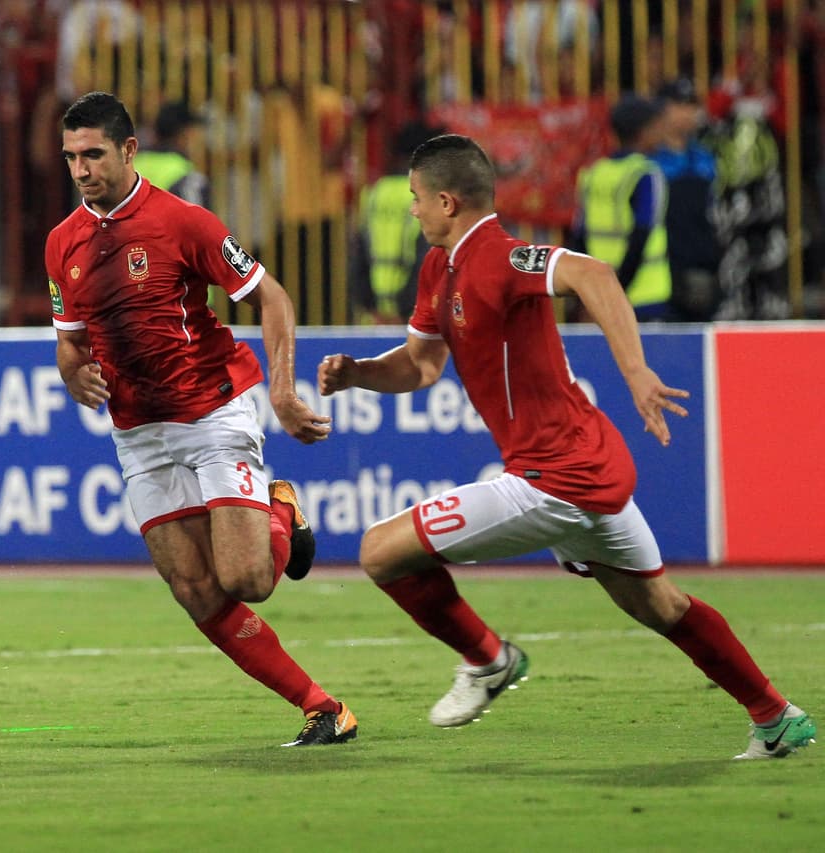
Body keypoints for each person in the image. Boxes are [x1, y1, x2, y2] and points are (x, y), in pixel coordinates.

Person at [317, 134, 815, 760]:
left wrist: (636, 372)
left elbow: (592, 273)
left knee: (380, 551)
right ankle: (775, 715)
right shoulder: (439, 268)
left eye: (417, 199)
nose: (411, 210)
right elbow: (420, 366)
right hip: (581, 470)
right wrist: (358, 372)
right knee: (662, 604)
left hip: (555, 477)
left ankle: (489, 660)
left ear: (447, 201)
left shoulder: (499, 256)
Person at [47, 91, 355, 747]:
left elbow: (271, 297)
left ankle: (280, 510)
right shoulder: (61, 244)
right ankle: (321, 705)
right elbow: (69, 344)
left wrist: (282, 391)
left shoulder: (183, 221)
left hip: (214, 405)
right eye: (72, 156)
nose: (82, 169)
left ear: (129, 151)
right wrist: (75, 376)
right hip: (137, 429)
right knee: (193, 587)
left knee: (247, 578)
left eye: (94, 154)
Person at [572, 95, 672, 321]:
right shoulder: (645, 174)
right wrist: (615, 291)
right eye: (656, 127)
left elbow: (579, 239)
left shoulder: (593, 173)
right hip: (645, 296)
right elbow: (640, 237)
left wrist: (588, 294)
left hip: (598, 296)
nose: (660, 133)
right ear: (643, 132)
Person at [348, 119, 442, 325]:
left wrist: (370, 307)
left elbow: (358, 255)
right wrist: (404, 309)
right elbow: (425, 259)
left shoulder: (375, 192)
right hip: (411, 316)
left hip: (374, 319)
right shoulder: (426, 195)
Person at [650, 78, 723, 321]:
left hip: (705, 264)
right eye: (679, 104)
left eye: (692, 105)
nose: (688, 112)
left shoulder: (706, 157)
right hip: (664, 268)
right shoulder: (650, 161)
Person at [134, 100, 210, 209]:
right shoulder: (186, 176)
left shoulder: (134, 163)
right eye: (194, 132)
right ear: (185, 134)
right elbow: (195, 224)